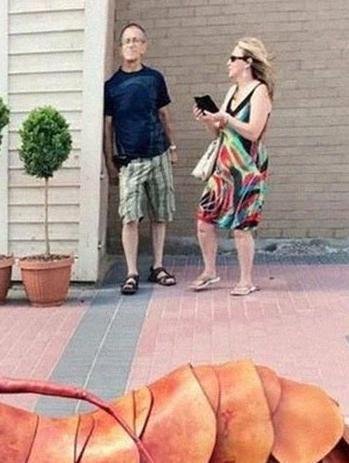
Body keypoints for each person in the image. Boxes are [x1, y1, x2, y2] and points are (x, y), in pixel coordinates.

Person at [191, 38, 274, 296]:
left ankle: (246, 280)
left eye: (233, 58)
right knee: (205, 220)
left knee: (242, 227)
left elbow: (253, 132)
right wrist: (208, 120)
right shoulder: (231, 91)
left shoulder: (259, 91)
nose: (228, 62)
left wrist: (227, 119)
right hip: (224, 166)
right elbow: (219, 133)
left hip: (248, 167)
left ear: (247, 62)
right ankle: (209, 271)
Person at [103, 23, 178, 295]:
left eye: (136, 40)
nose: (132, 44)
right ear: (120, 48)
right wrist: (110, 163)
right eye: (127, 41)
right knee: (130, 217)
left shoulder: (155, 79)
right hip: (130, 161)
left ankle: (157, 266)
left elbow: (165, 115)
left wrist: (172, 147)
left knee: (160, 213)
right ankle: (132, 271)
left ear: (144, 46)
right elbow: (107, 127)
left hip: (158, 154)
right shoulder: (112, 86)